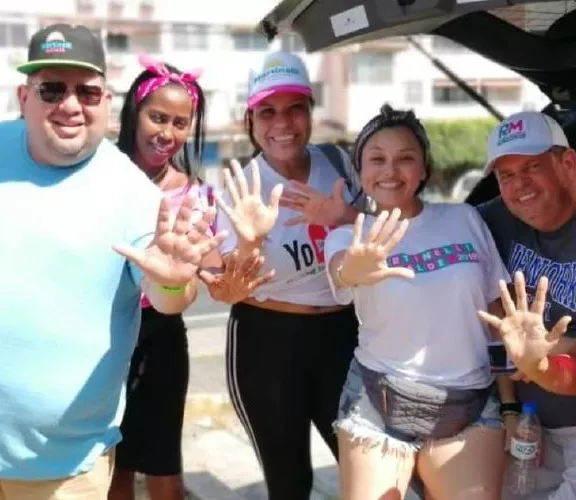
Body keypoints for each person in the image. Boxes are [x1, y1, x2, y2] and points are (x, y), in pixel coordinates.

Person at [0, 24, 223, 500]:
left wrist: (173, 281)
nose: (71, 105)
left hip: (62, 469)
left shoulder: (133, 192)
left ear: (107, 101)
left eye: (88, 91)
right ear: (24, 97)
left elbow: (168, 298)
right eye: (52, 89)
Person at [322, 105, 509, 500]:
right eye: (377, 159)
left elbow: (497, 311)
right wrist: (353, 268)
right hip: (379, 397)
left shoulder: (464, 218)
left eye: (405, 158)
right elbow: (342, 272)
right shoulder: (350, 235)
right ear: (361, 170)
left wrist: (510, 403)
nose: (390, 170)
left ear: (423, 169)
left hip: (468, 400)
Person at [108, 55, 269, 500]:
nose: (168, 133)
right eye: (158, 117)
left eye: (181, 123)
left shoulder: (197, 194)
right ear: (134, 112)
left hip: (161, 339)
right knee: (111, 469)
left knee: (164, 470)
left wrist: (241, 262)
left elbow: (215, 276)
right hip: (101, 337)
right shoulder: (99, 175)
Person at [212, 51, 366, 500]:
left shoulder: (338, 163)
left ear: (311, 111)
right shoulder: (241, 187)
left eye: (295, 107)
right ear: (251, 120)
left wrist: (345, 216)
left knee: (366, 468)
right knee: (290, 482)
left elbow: (373, 236)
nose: (283, 123)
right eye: (268, 111)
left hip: (343, 334)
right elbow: (227, 288)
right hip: (267, 342)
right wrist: (249, 243)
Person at [476, 111, 576, 500]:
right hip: (527, 427)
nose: (520, 185)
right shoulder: (492, 220)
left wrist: (543, 360)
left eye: (532, 167)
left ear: (568, 163)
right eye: (507, 175)